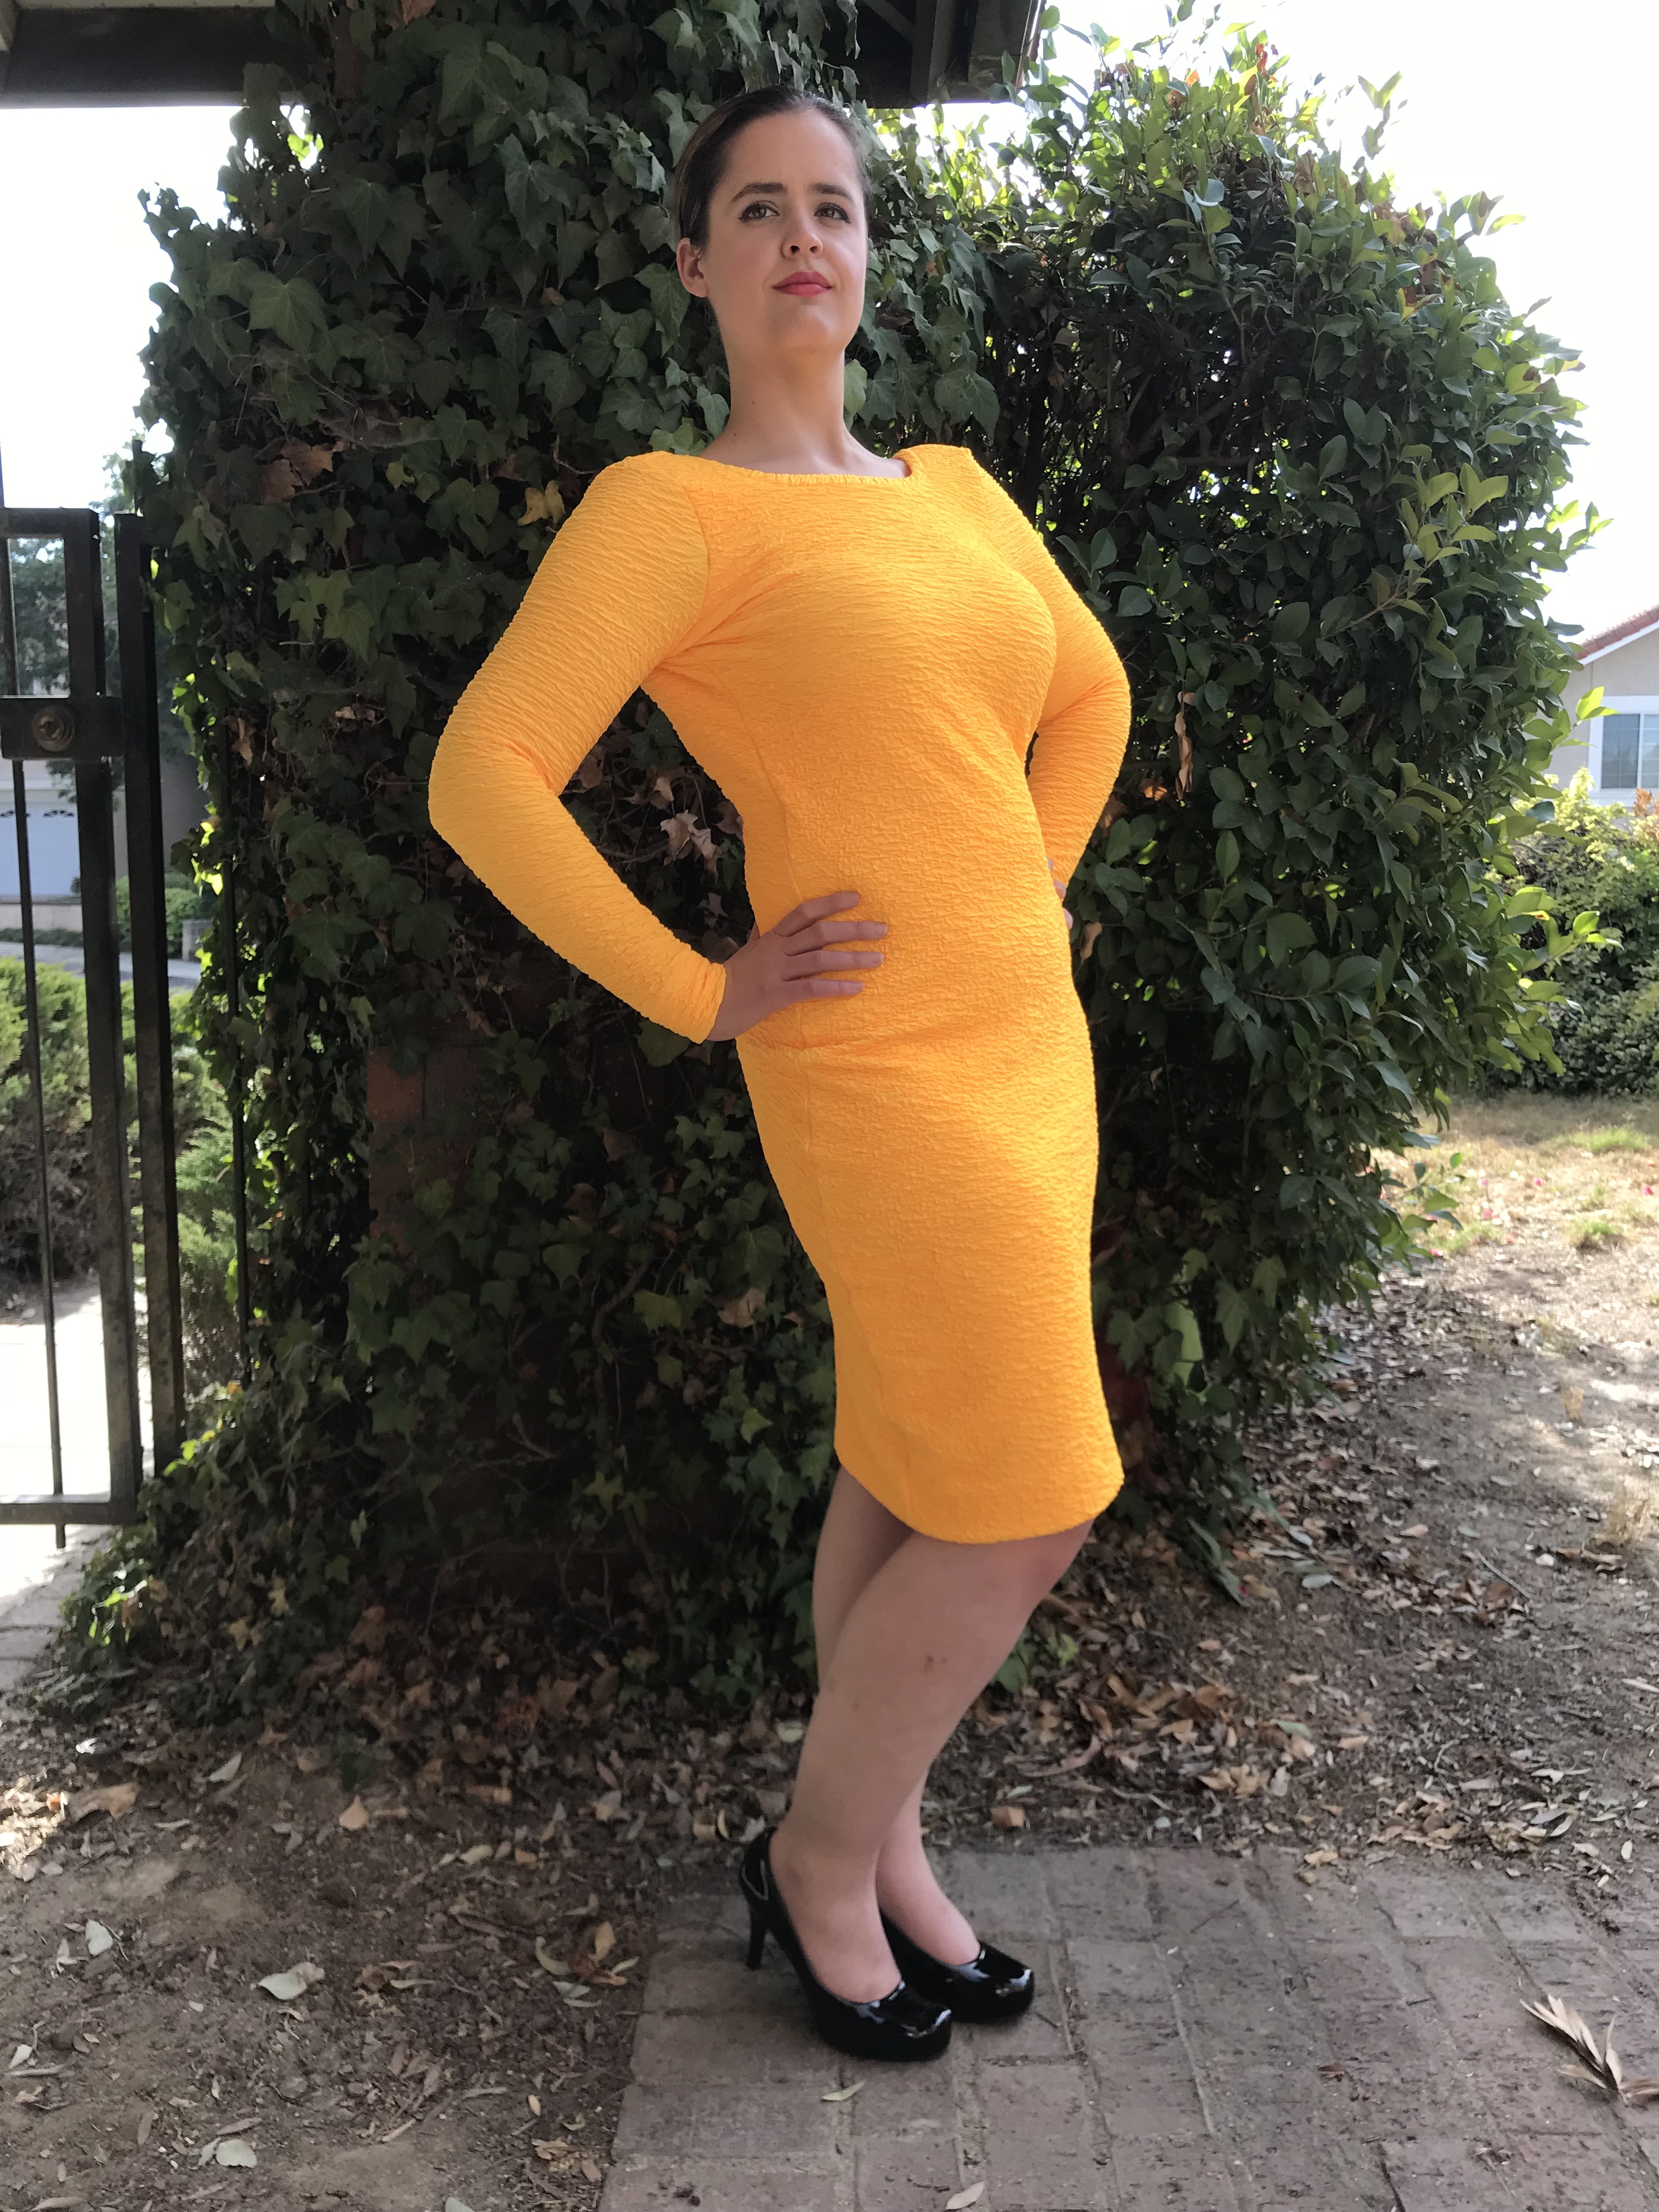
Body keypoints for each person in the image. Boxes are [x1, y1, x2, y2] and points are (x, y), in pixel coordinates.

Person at [427, 82, 1132, 2065]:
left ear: (869, 252)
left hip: (1027, 1049)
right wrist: (699, 988)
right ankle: (817, 1858)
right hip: (873, 1065)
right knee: (1033, 1497)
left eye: (834, 204)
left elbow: (1091, 695)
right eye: (757, 208)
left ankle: (882, 1853)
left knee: (908, 1458)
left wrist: (1017, 888)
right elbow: (484, 773)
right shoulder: (673, 511)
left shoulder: (956, 491)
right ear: (696, 263)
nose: (803, 234)